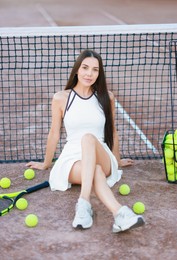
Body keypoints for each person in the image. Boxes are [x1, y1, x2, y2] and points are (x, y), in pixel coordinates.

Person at [26, 49, 145, 232]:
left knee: (88, 138)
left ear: (99, 73)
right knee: (95, 170)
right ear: (77, 70)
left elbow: (112, 131)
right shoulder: (61, 98)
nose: (89, 74)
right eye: (85, 68)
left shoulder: (107, 98)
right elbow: (54, 133)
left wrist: (118, 160)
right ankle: (120, 213)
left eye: (95, 70)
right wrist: (45, 164)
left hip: (101, 153)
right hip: (72, 160)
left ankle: (83, 203)